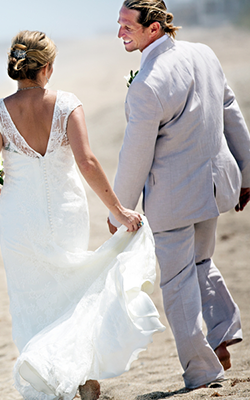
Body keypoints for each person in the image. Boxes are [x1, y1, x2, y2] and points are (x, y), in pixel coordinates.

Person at [0, 30, 165, 400]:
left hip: (19, 219)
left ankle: (51, 371)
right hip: (66, 211)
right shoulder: (67, 105)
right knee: (74, 288)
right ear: (46, 67)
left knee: (33, 296)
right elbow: (87, 162)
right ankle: (83, 376)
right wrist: (119, 210)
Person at [109, 0, 250, 390]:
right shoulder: (203, 53)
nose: (120, 33)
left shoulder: (147, 83)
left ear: (153, 29)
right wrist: (246, 171)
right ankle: (221, 334)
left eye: (127, 26)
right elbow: (229, 109)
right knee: (202, 262)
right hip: (216, 183)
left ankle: (203, 370)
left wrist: (120, 208)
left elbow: (135, 155)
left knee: (177, 284)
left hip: (173, 199)